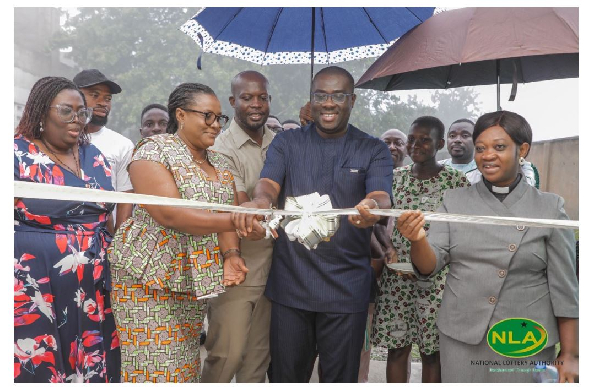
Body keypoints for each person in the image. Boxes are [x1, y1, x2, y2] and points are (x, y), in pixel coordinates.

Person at [233, 66, 394, 383]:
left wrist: (371, 207)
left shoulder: (372, 148)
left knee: (339, 378)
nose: (329, 103)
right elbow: (268, 186)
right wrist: (261, 203)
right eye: (321, 95)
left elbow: (381, 196)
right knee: (286, 376)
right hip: (291, 285)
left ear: (352, 100)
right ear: (311, 99)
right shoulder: (287, 143)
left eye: (338, 96)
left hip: (346, 290)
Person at [395, 111, 578, 382]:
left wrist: (571, 355)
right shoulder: (454, 201)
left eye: (499, 147)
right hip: (462, 336)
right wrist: (418, 239)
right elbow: (429, 266)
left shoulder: (549, 208)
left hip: (525, 338)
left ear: (523, 149)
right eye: (481, 148)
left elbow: (565, 289)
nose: (487, 155)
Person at [108, 83, 249, 383]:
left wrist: (232, 254)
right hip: (145, 279)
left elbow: (225, 214)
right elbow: (170, 214)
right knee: (155, 370)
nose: (215, 125)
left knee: (184, 368)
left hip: (190, 280)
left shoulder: (221, 164)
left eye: (220, 118)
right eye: (207, 116)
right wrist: (237, 221)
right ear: (181, 114)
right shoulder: (152, 151)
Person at [14, 76, 120, 382]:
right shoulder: (17, 154)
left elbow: (106, 214)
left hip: (93, 282)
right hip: (37, 282)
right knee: (41, 361)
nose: (77, 119)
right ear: (41, 112)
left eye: (81, 112)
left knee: (93, 359)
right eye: (66, 111)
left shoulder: (94, 156)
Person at [372, 116, 469, 383]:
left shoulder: (456, 182)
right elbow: (378, 223)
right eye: (412, 139)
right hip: (398, 278)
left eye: (424, 140)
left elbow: (464, 231)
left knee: (432, 352)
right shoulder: (394, 178)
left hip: (438, 280)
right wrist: (389, 248)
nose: (415, 145)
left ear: (439, 143)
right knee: (397, 348)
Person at [202, 71, 275, 383]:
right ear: (233, 102)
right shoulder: (219, 148)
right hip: (237, 269)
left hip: (277, 271)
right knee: (225, 358)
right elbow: (239, 203)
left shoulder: (282, 144)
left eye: (262, 97)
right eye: (247, 98)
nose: (255, 104)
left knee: (256, 364)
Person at [361, 128, 410, 383]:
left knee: (401, 347)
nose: (392, 147)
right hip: (369, 272)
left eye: (398, 142)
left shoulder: (412, 182)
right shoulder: (369, 180)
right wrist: (382, 255)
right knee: (361, 341)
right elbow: (369, 227)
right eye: (386, 142)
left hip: (404, 281)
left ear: (407, 148)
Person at [73, 69, 134, 233]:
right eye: (95, 95)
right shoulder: (58, 140)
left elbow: (125, 199)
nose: (103, 103)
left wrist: (117, 246)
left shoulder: (123, 145)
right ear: (73, 96)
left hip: (101, 240)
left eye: (108, 98)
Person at [441, 118, 539, 187]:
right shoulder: (436, 167)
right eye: (452, 136)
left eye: (465, 135)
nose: (457, 140)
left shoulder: (489, 166)